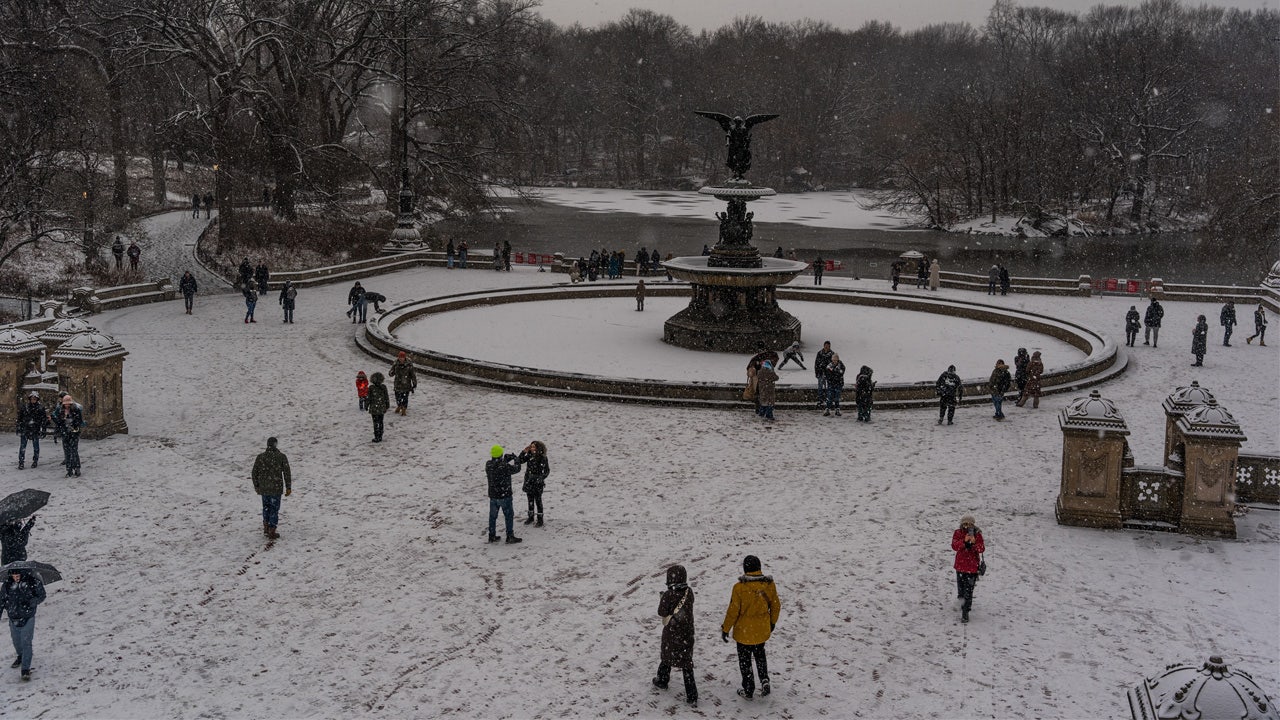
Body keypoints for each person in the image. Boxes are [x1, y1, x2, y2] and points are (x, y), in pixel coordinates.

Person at [721, 555, 781, 700]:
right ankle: (764, 679)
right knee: (760, 655)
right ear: (759, 567)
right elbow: (776, 606)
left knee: (745, 660)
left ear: (745, 569)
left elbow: (733, 610)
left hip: (744, 633)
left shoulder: (739, 588)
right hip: (761, 630)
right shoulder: (769, 585)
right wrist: (772, 622)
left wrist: (725, 628)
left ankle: (748, 689)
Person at [653, 564, 698, 707]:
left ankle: (662, 680)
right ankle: (692, 695)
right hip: (687, 633)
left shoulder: (668, 595)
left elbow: (662, 612)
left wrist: (663, 599)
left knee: (667, 657)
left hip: (671, 634)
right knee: (686, 663)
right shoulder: (689, 592)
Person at [1, 567, 46, 681]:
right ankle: (20, 656)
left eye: (18, 576)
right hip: (13, 617)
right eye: (14, 576)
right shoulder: (7, 585)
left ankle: (25, 669)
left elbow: (41, 595)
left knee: (26, 642)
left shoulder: (32, 582)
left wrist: (31, 602)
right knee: (16, 641)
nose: (16, 578)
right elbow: (1, 601)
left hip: (28, 617)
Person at [251, 437, 292, 539]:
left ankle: (266, 526)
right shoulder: (281, 457)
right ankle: (272, 530)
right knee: (274, 509)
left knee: (266, 507)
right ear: (275, 444)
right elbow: (287, 473)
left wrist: (257, 486)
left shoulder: (260, 457)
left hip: (264, 489)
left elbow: (254, 473)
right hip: (276, 488)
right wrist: (288, 487)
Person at [485, 445, 522, 544]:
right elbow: (516, 469)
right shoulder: (504, 466)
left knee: (492, 517)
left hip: (493, 496)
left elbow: (498, 467)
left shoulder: (488, 464)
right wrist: (516, 459)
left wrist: (505, 460)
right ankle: (510, 536)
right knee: (509, 515)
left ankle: (491, 535)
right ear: (501, 454)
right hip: (505, 496)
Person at [952, 515, 985, 624]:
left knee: (969, 590)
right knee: (961, 589)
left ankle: (966, 611)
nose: (967, 526)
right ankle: (962, 602)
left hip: (972, 567)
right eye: (965, 524)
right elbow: (954, 546)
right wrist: (964, 542)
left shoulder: (977, 534)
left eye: (970, 524)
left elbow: (982, 549)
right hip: (960, 566)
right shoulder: (958, 533)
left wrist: (974, 543)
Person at [517, 441, 550, 527]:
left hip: (537, 483)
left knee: (538, 501)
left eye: (534, 447)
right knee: (530, 500)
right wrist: (524, 452)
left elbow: (546, 471)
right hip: (529, 481)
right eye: (531, 447)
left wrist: (541, 478)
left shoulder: (543, 458)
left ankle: (540, 519)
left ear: (538, 448)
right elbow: (520, 461)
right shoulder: (529, 456)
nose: (532, 448)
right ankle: (530, 517)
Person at [51, 395, 84, 477]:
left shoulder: (75, 410)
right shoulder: (61, 410)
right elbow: (59, 422)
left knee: (74, 451)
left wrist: (72, 423)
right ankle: (69, 470)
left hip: (73, 433)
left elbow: (79, 421)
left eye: (68, 404)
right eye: (66, 404)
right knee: (67, 452)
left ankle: (77, 468)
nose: (67, 405)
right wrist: (56, 419)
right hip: (65, 433)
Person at [16, 392, 47, 470]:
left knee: (36, 447)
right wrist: (18, 427)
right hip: (25, 429)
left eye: (35, 399)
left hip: (35, 429)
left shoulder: (40, 408)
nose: (33, 400)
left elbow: (43, 420)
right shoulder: (25, 407)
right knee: (23, 446)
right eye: (32, 399)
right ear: (30, 399)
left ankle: (35, 461)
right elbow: (20, 418)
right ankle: (21, 462)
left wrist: (43, 429)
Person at [366, 372, 389, 442]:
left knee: (375, 422)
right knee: (381, 421)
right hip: (381, 407)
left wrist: (366, 405)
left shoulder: (371, 388)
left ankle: (376, 436)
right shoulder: (383, 387)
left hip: (374, 408)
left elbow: (368, 398)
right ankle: (380, 435)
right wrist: (387, 405)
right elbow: (386, 397)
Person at [822, 352, 846, 417]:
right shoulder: (829, 366)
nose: (834, 361)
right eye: (833, 360)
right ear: (832, 360)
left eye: (836, 360)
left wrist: (835, 372)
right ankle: (827, 410)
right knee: (829, 397)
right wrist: (834, 373)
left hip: (838, 384)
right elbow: (828, 374)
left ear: (838, 359)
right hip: (831, 384)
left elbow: (841, 373)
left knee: (837, 397)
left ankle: (837, 410)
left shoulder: (841, 365)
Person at [814, 341, 833, 408]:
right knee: (820, 387)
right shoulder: (819, 353)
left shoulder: (832, 354)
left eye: (828, 345)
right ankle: (820, 399)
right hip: (821, 372)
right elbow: (816, 363)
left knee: (829, 387)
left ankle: (828, 399)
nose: (826, 347)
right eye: (825, 345)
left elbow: (833, 364)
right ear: (824, 345)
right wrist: (817, 372)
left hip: (828, 373)